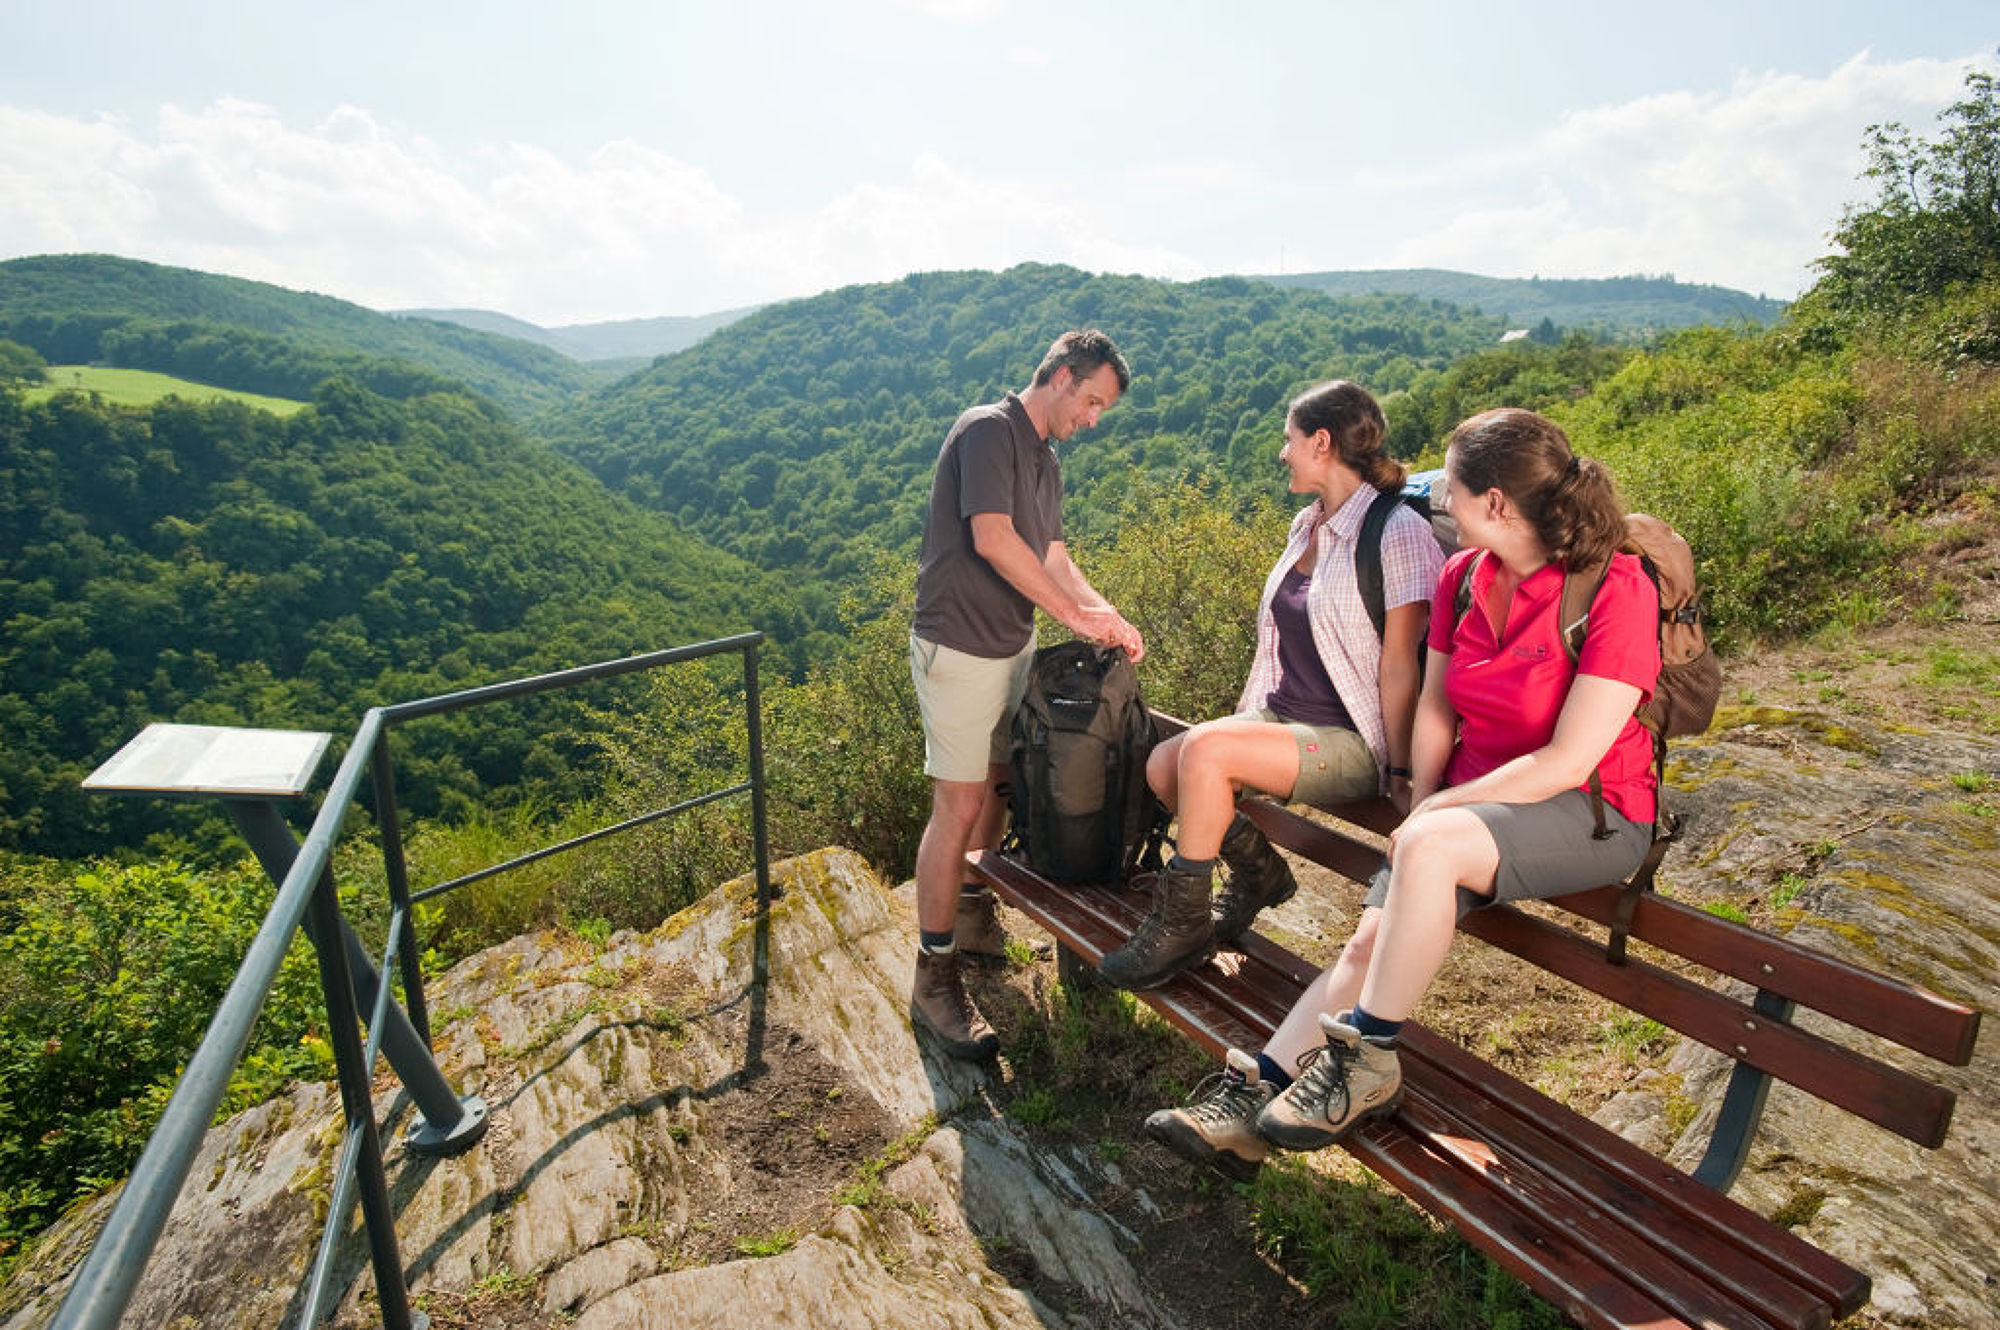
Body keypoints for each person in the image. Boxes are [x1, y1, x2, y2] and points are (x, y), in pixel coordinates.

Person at [1145, 406, 1662, 1180]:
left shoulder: (1616, 588)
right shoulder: (1464, 578)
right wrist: (1426, 793)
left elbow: (1567, 759)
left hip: (1593, 811)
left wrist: (1438, 813)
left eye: (1449, 486)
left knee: (1427, 841)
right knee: (1364, 941)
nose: (1435, 497)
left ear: (1494, 503)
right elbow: (1437, 705)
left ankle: (1371, 1062)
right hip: (1468, 816)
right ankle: (1254, 1101)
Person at [1099, 380, 1442, 990]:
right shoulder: (1304, 526)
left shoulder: (1398, 532)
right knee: (1162, 765)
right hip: (1286, 717)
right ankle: (1258, 874)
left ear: (1321, 442)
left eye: (1289, 441)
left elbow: (1401, 665)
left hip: (1353, 736)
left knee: (1204, 752)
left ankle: (1183, 925)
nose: (1282, 453)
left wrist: (1398, 768)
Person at [908, 329, 1147, 1059]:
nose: (1094, 420)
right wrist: (1072, 616)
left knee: (1004, 784)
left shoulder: (1043, 458)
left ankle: (973, 914)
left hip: (1013, 645)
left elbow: (1052, 557)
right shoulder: (990, 430)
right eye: (1094, 401)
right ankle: (932, 975)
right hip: (960, 645)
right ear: (1064, 376)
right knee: (959, 804)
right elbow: (992, 537)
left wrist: (1104, 615)